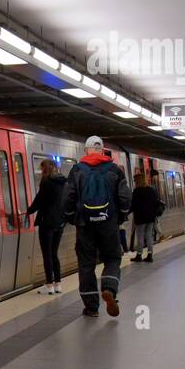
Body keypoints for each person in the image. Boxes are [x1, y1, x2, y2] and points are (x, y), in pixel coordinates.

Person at [63, 136, 131, 318]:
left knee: (86, 264)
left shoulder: (77, 170)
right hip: (109, 223)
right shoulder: (115, 170)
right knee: (113, 258)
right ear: (102, 151)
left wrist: (72, 217)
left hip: (85, 225)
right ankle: (109, 288)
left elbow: (67, 197)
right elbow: (125, 197)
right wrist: (121, 215)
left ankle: (91, 307)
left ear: (86, 151)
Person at [25, 158, 67, 294]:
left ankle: (49, 284)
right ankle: (58, 284)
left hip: (47, 223)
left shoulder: (46, 182)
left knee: (47, 255)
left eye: (41, 168)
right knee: (54, 254)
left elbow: (39, 200)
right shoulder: (63, 182)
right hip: (60, 223)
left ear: (45, 169)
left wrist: (29, 211)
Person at [129, 172, 163, 262]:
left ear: (137, 181)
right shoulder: (151, 190)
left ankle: (139, 255)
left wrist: (126, 213)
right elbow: (156, 203)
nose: (134, 182)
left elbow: (133, 205)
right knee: (149, 236)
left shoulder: (136, 191)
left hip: (140, 218)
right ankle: (150, 255)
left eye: (135, 180)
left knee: (140, 236)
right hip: (150, 218)